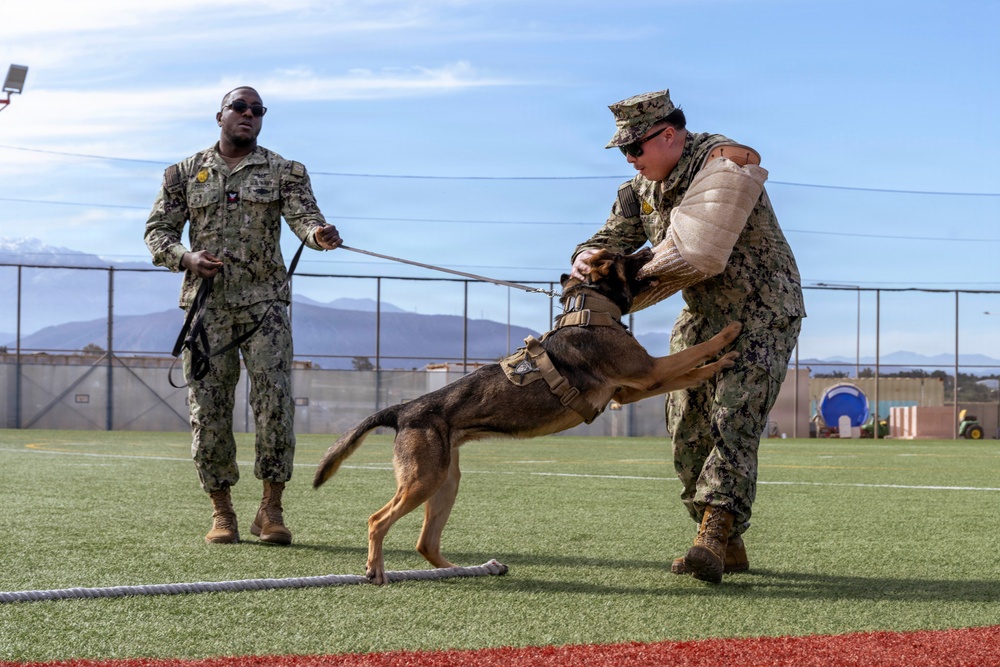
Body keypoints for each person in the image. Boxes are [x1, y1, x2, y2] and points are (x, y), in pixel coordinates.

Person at [571, 89, 805, 583]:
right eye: (624, 152)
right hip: (704, 313)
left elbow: (741, 155)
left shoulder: (716, 162)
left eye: (637, 148)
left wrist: (726, 156)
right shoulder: (637, 192)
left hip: (763, 309)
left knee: (733, 415)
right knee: (684, 425)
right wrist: (583, 260)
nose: (631, 160)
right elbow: (608, 239)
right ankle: (726, 540)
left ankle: (715, 532)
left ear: (670, 135)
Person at [145, 86, 343, 545]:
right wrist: (187, 258)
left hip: (264, 305)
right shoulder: (183, 174)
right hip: (207, 307)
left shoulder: (284, 171)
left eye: (257, 110)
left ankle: (271, 509)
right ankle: (223, 512)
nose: (248, 116)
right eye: (240, 108)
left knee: (274, 403)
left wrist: (319, 234)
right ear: (220, 116)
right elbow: (158, 233)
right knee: (208, 407)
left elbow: (303, 217)